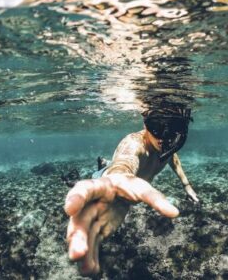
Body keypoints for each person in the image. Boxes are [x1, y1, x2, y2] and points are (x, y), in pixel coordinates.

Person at [64, 108, 198, 275]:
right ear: (145, 123)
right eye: (156, 126)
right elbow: (124, 162)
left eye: (171, 128)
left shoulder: (168, 142)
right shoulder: (135, 143)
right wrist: (116, 178)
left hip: (131, 188)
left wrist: (187, 186)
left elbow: (173, 158)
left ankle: (104, 163)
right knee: (93, 181)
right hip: (111, 184)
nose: (163, 137)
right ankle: (80, 178)